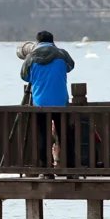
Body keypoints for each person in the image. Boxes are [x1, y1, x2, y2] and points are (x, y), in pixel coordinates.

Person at [19, 31, 75, 169]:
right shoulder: (62, 54)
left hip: (40, 102)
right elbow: (70, 66)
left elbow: (24, 76)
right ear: (52, 41)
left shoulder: (31, 57)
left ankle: (45, 169)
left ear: (37, 42)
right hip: (61, 101)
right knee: (64, 135)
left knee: (43, 135)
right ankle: (70, 168)